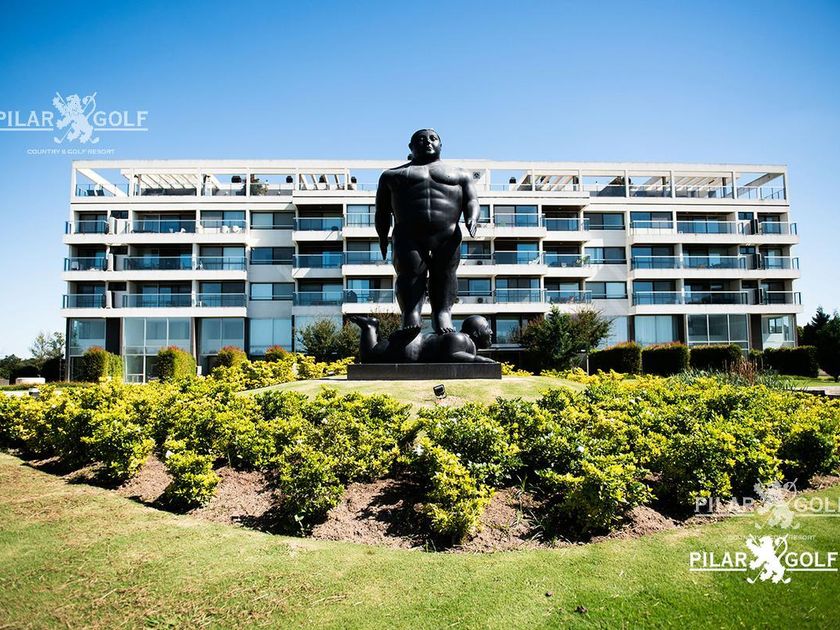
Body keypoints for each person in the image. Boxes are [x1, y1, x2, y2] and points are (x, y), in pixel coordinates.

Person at [376, 129, 481, 334]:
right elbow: (382, 210)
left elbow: (472, 200)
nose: (427, 142)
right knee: (409, 273)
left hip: (447, 234)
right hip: (408, 235)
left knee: (445, 274)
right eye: (420, 139)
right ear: (410, 147)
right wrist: (382, 236)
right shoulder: (391, 175)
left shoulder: (460, 174)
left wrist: (472, 217)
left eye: (433, 138)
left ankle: (442, 314)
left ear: (441, 145)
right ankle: (411, 313)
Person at [350, 315, 495, 364]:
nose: (491, 332)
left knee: (371, 356)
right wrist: (482, 360)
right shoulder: (460, 338)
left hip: (412, 348)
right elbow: (453, 355)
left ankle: (371, 328)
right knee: (369, 357)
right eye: (487, 328)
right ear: (475, 333)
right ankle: (369, 327)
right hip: (409, 349)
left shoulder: (463, 341)